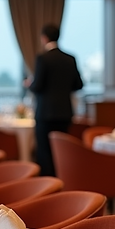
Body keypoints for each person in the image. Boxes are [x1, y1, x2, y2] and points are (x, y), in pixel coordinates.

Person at [25, 23, 84, 177]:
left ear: (44, 38)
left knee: (44, 152)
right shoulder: (70, 59)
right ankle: (62, 180)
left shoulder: (43, 58)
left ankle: (47, 185)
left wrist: (29, 84)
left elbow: (37, 86)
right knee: (61, 150)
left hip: (45, 113)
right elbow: (79, 85)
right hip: (65, 113)